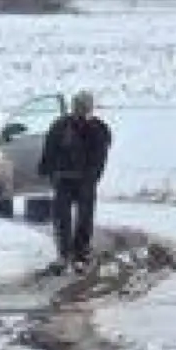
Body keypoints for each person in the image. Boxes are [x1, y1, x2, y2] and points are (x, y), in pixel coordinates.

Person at [38, 90, 113, 274]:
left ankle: (80, 253)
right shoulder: (61, 126)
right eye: (78, 105)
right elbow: (49, 149)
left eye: (84, 106)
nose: (81, 109)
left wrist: (93, 177)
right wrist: (47, 170)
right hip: (64, 179)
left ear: (90, 108)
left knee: (84, 219)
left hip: (84, 180)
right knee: (62, 218)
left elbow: (100, 157)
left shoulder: (98, 129)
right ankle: (64, 254)